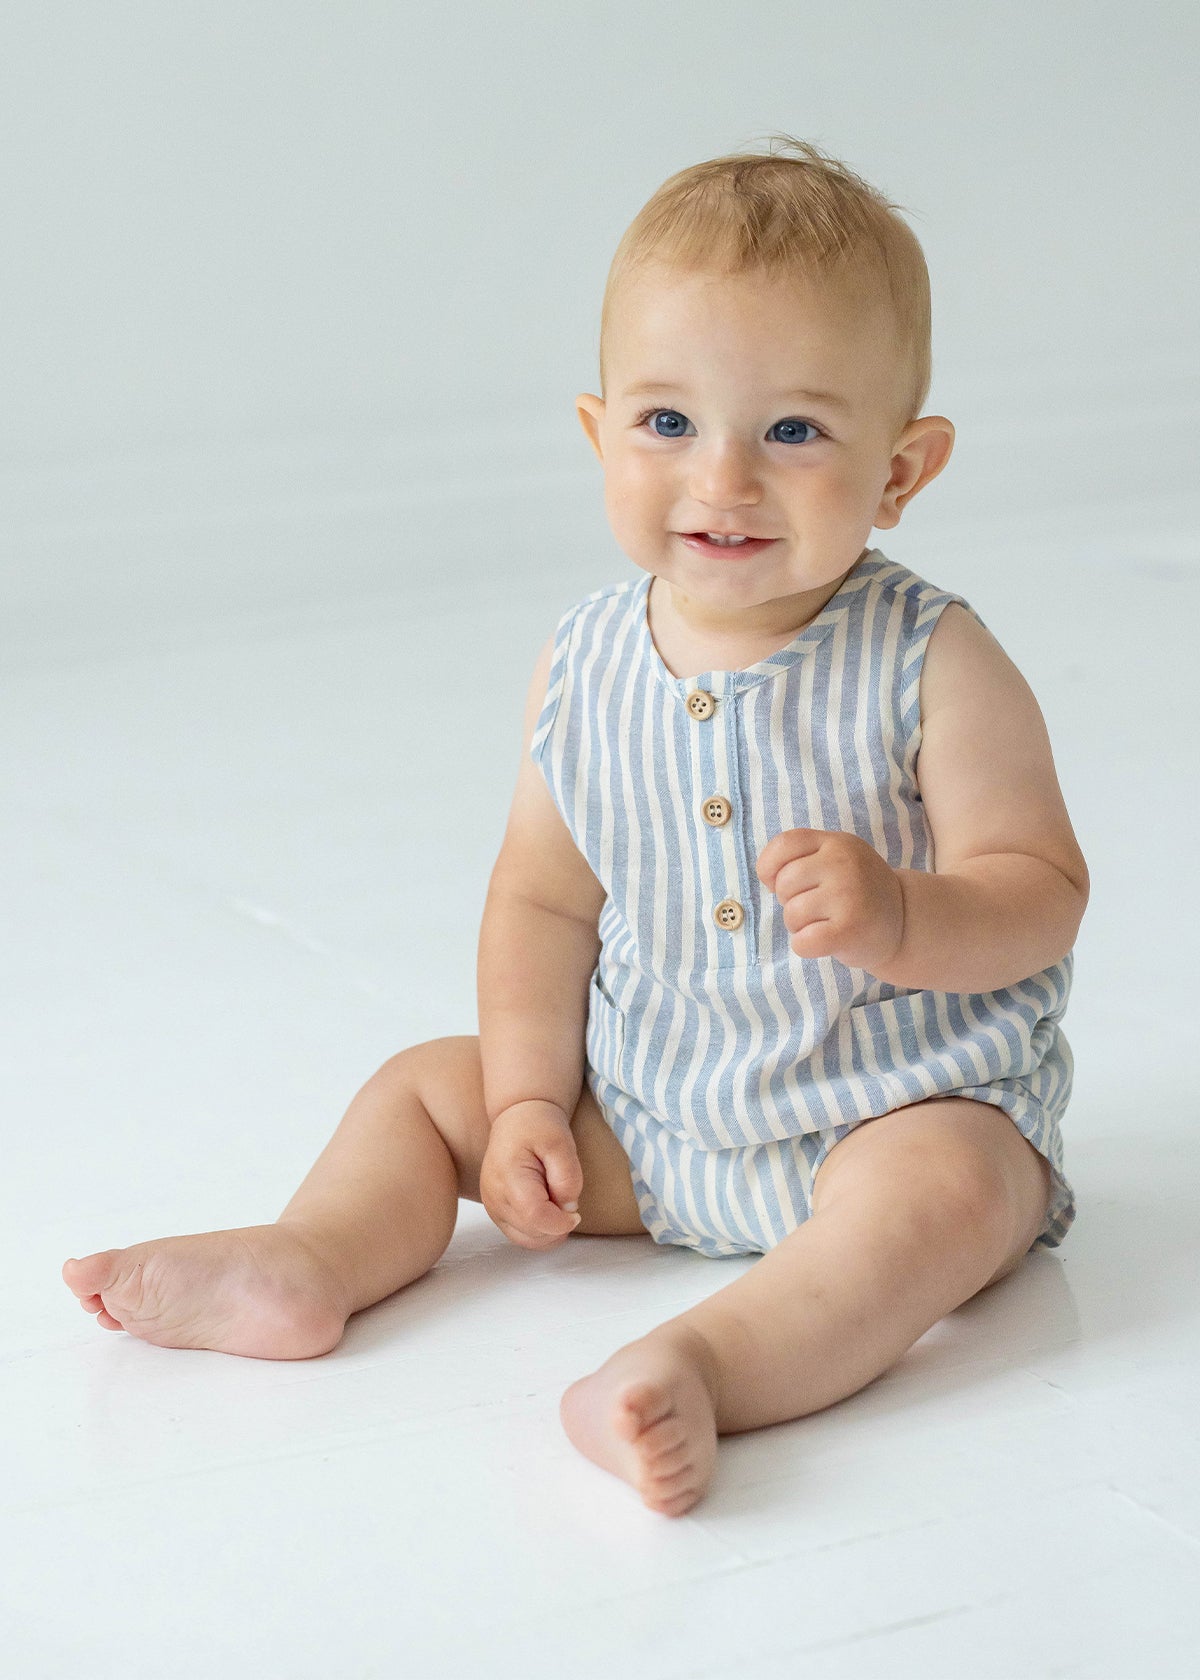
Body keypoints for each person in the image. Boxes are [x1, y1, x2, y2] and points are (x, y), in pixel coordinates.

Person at [62, 136, 1090, 1519]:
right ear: (601, 433)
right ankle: (310, 1258)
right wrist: (535, 1099)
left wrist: (907, 915)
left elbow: (1039, 888)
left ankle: (698, 1368)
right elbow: (542, 901)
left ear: (903, 471)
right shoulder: (587, 662)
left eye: (794, 431)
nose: (721, 479)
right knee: (431, 1086)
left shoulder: (933, 660)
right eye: (669, 424)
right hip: (660, 1120)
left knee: (960, 1197)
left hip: (886, 1113)